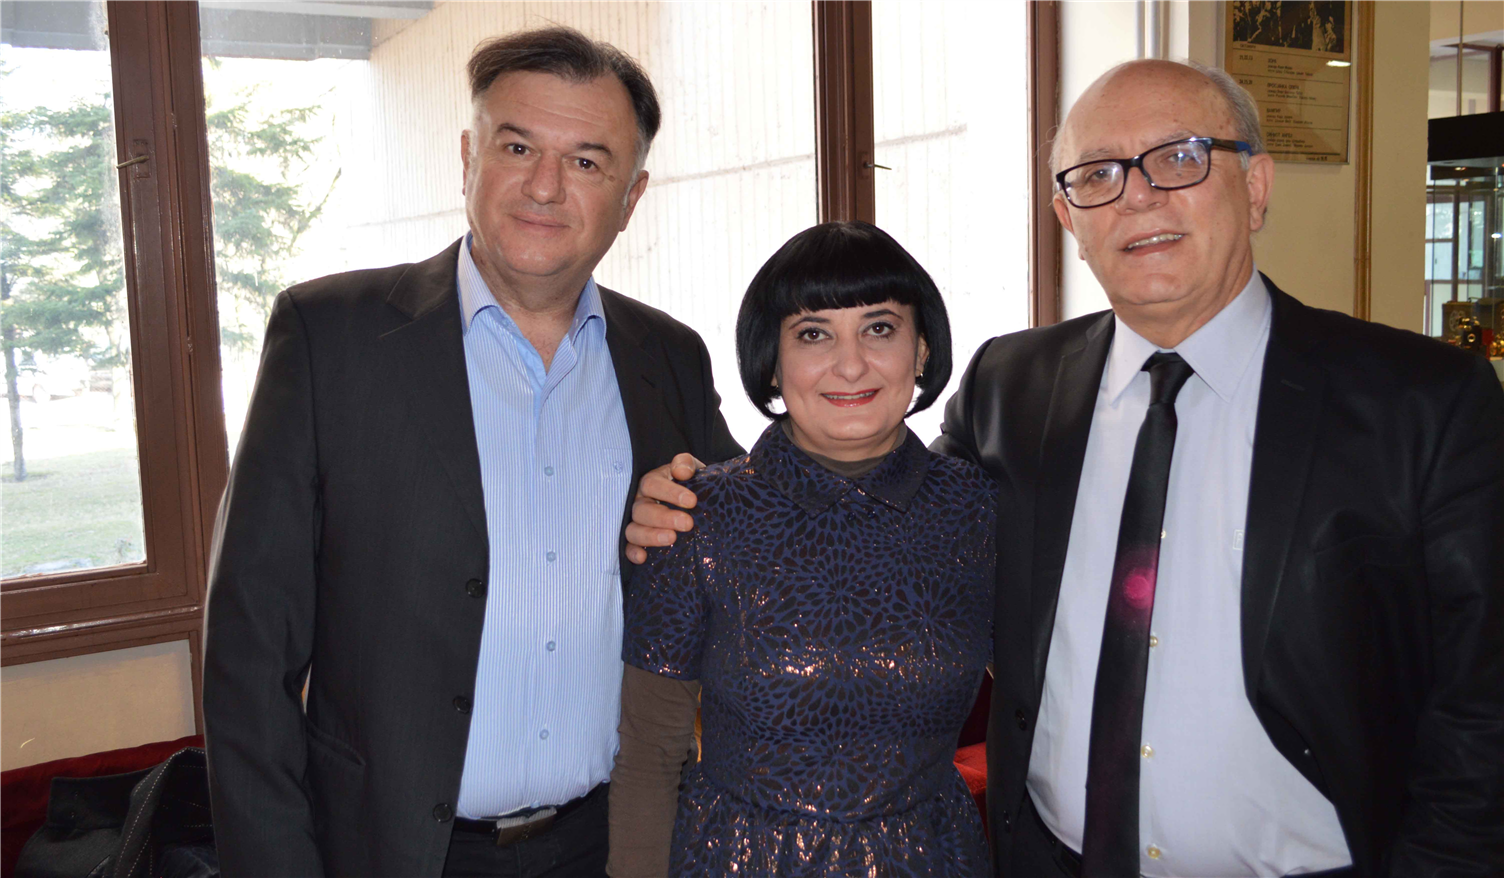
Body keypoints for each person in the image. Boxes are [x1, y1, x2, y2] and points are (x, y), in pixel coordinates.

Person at [627, 60, 1504, 876]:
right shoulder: (1015, 387)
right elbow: (869, 508)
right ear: (1067, 217)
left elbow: (1483, 704)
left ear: (1257, 185)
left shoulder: (1423, 403)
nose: (1138, 196)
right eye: (1099, 174)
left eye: (1180, 158)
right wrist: (686, 502)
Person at [202, 27, 741, 878]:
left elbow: (760, 556)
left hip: (615, 842)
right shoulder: (331, 339)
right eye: (517, 147)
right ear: (468, 158)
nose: (544, 186)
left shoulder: (669, 357)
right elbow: (249, 655)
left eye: (587, 161)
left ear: (632, 196)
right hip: (397, 852)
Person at [607, 221, 996, 877]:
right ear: (773, 361)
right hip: (737, 859)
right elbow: (650, 749)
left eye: (880, 328)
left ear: (922, 349)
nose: (851, 364)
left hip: (931, 857)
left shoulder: (978, 510)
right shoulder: (694, 516)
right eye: (814, 334)